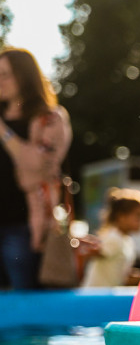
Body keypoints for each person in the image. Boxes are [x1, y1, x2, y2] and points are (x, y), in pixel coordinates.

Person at [0, 47, 73, 289]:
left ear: (24, 76)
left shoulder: (50, 119)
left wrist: (4, 132)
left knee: (25, 300)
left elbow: (38, 163)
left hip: (24, 227)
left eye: (5, 74)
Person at [80, 187, 140, 287]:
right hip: (96, 296)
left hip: (108, 297)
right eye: (138, 216)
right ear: (122, 217)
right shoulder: (114, 237)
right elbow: (96, 251)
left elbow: (124, 276)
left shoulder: (127, 241)